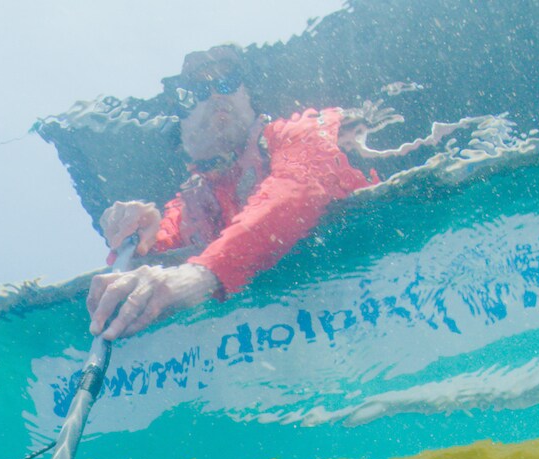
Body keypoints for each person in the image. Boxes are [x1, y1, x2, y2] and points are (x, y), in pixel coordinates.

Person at [87, 46, 377, 340]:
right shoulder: (188, 205)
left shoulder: (300, 132)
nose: (214, 95)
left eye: (228, 81)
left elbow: (297, 189)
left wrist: (202, 275)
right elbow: (146, 280)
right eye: (198, 91)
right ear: (181, 134)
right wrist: (134, 240)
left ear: (249, 100)